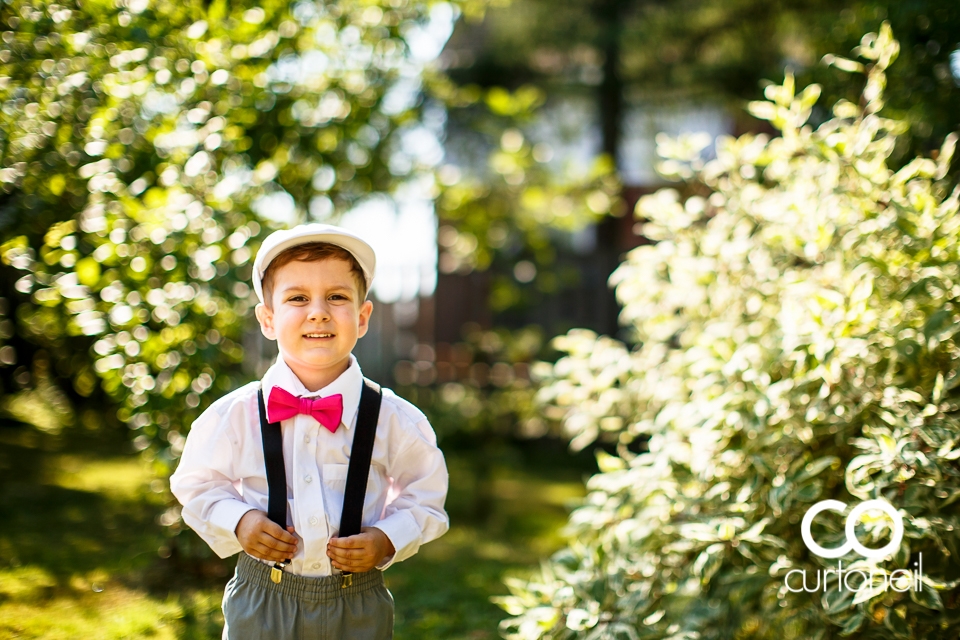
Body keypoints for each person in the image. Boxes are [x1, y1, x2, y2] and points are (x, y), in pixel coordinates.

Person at [170, 224, 449, 640]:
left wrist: (387, 539)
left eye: (336, 297)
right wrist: (240, 521)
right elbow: (195, 484)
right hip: (262, 600)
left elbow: (426, 497)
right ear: (268, 319)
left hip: (357, 605)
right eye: (297, 298)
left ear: (362, 316)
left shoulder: (394, 419)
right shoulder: (234, 415)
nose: (318, 311)